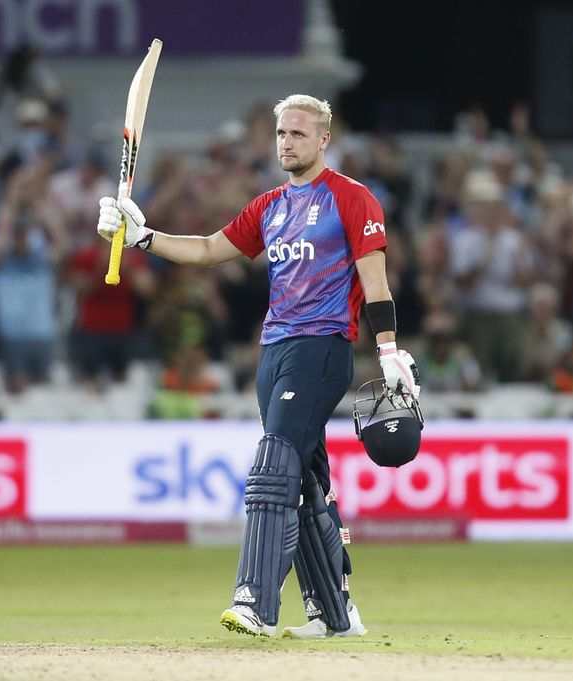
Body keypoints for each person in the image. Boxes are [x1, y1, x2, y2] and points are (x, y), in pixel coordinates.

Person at [97, 94, 418, 639]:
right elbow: (204, 250)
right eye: (281, 134)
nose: (287, 142)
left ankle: (255, 601)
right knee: (307, 478)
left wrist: (388, 350)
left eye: (298, 133)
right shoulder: (268, 206)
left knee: (274, 463)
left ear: (323, 140)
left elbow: (376, 281)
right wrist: (143, 237)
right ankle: (335, 615)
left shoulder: (351, 198)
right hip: (273, 354)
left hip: (322, 349)